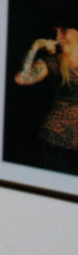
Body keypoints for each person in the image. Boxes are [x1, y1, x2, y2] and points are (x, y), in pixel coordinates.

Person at [14, 26, 78, 173]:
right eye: (56, 32)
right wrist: (35, 46)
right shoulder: (55, 62)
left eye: (63, 30)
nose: (58, 37)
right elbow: (22, 78)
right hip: (56, 145)